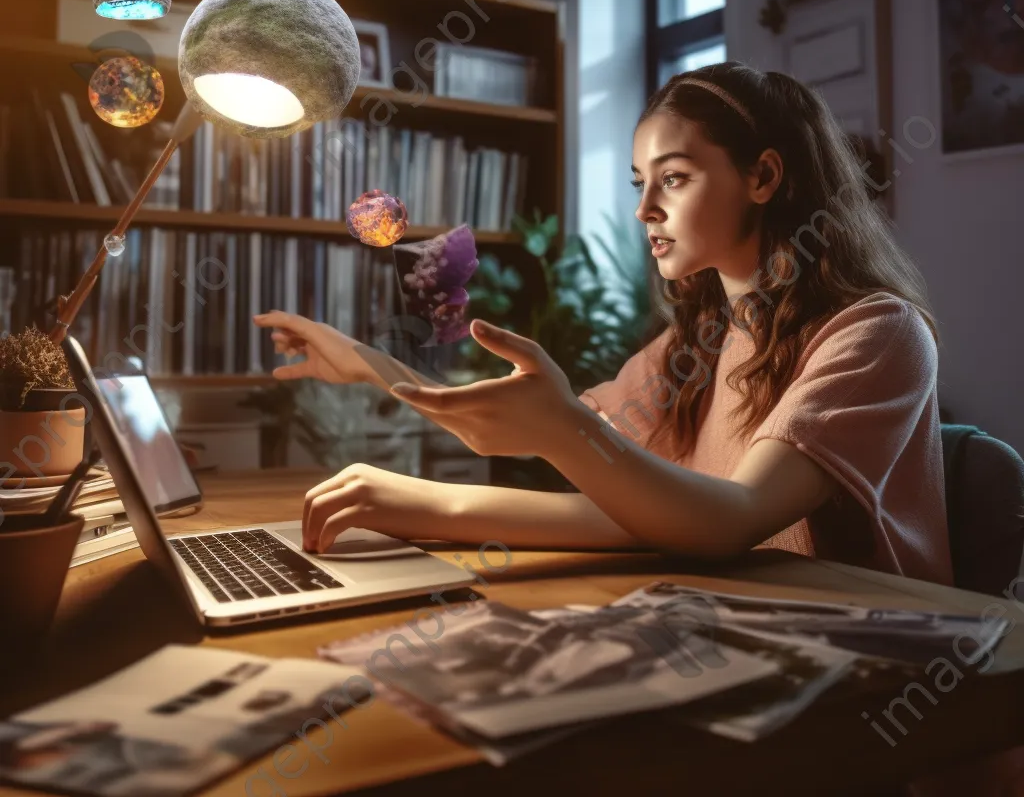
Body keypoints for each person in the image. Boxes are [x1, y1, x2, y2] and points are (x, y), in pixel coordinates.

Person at [253, 61, 952, 588]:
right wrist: (371, 371)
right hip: (738, 639)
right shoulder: (700, 342)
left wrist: (550, 434)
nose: (645, 206)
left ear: (763, 177)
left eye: (673, 178)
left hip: (868, 689)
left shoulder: (878, 334)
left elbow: (728, 520)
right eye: (637, 182)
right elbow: (630, 505)